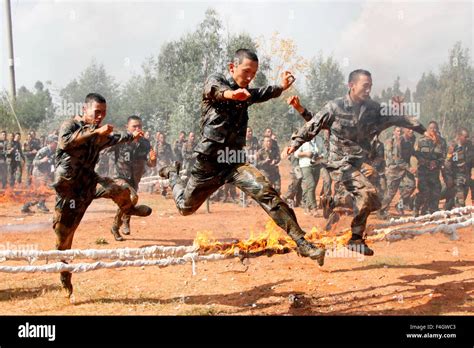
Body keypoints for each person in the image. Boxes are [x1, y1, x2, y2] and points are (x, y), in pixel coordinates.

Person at [159, 49, 325, 265]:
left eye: (253, 74)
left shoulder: (247, 94)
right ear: (232, 67)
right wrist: (232, 94)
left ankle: (302, 242)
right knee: (185, 208)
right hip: (209, 163)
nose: (249, 78)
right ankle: (173, 174)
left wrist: (282, 87)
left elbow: (264, 92)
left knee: (266, 192)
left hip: (235, 162)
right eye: (246, 72)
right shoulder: (217, 82)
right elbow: (215, 89)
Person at [287, 69, 426, 256]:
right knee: (366, 193)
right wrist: (296, 142)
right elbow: (314, 124)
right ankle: (356, 238)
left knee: (372, 198)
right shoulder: (334, 107)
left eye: (370, 86)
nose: (368, 90)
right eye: (365, 86)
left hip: (360, 161)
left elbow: (399, 119)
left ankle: (336, 207)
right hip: (339, 161)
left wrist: (423, 130)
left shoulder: (373, 108)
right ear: (351, 85)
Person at [53, 93, 152, 296]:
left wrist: (132, 136)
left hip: (90, 183)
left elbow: (116, 139)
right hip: (70, 192)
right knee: (64, 241)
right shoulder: (69, 125)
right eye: (97, 112)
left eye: (103, 114)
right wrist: (96, 132)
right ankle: (65, 277)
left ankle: (129, 209)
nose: (100, 117)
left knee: (123, 191)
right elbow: (67, 143)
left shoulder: (99, 133)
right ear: (84, 109)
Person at [110, 115, 157, 241]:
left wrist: (153, 159)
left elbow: (151, 164)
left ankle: (119, 224)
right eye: (134, 126)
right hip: (120, 176)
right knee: (132, 197)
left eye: (139, 126)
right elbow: (105, 148)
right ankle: (120, 223)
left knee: (130, 201)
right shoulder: (120, 140)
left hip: (135, 178)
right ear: (127, 127)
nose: (138, 128)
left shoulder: (145, 143)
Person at [378, 127, 416, 218]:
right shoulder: (398, 141)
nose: (411, 131)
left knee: (411, 185)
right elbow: (397, 159)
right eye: (409, 129)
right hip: (394, 170)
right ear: (404, 130)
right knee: (391, 193)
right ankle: (381, 211)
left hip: (404, 169)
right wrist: (409, 167)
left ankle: (399, 205)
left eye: (412, 129)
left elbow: (412, 151)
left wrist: (421, 156)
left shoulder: (412, 139)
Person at [413, 121, 445, 216]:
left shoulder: (442, 141)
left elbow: (443, 156)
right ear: (427, 129)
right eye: (431, 128)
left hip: (434, 172)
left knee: (436, 192)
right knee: (424, 191)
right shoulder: (421, 140)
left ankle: (432, 211)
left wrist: (436, 163)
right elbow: (416, 154)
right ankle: (416, 207)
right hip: (423, 171)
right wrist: (425, 162)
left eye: (435, 128)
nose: (433, 130)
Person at [21, 135, 58, 213]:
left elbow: (53, 162)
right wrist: (42, 160)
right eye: (55, 143)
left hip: (45, 173)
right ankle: (37, 205)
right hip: (38, 173)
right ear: (50, 143)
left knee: (47, 190)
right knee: (41, 191)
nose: (56, 144)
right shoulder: (43, 151)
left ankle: (32, 205)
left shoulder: (54, 151)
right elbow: (34, 162)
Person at [444, 127, 473, 209]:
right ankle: (459, 215)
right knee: (460, 200)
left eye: (468, 137)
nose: (467, 139)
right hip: (457, 177)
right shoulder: (453, 147)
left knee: (462, 195)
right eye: (465, 137)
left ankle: (447, 208)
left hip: (466, 176)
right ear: (460, 136)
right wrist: (449, 178)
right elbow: (447, 163)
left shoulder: (469, 146)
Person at [294, 137, 322, 216]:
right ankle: (314, 208)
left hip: (316, 165)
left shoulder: (319, 139)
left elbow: (324, 152)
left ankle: (307, 208)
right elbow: (296, 154)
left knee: (311, 188)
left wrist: (319, 156)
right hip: (305, 166)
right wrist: (306, 154)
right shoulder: (302, 140)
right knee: (311, 185)